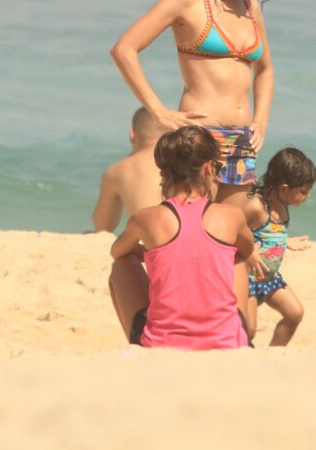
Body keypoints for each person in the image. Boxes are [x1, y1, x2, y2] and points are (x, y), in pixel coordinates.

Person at [110, 0, 285, 207]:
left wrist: (261, 120)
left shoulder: (252, 9)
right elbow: (124, 49)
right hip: (200, 135)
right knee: (194, 230)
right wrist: (158, 111)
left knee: (228, 233)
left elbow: (264, 69)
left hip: (242, 140)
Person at [109, 125, 254, 350]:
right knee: (236, 258)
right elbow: (248, 249)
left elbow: (117, 252)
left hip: (162, 344)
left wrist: (150, 253)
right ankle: (245, 336)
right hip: (226, 343)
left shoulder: (145, 218)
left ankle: (139, 345)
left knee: (121, 265)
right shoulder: (232, 216)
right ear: (208, 167)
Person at [242, 147, 316, 346]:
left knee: (295, 313)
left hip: (269, 278)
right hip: (248, 279)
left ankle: (274, 354)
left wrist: (287, 241)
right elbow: (232, 231)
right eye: (303, 191)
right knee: (248, 329)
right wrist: (249, 251)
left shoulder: (282, 207)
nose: (307, 196)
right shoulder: (257, 207)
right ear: (284, 188)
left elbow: (269, 235)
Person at [91, 107, 166, 233]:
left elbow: (103, 226)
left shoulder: (119, 169)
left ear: (132, 134)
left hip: (155, 246)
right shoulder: (187, 159)